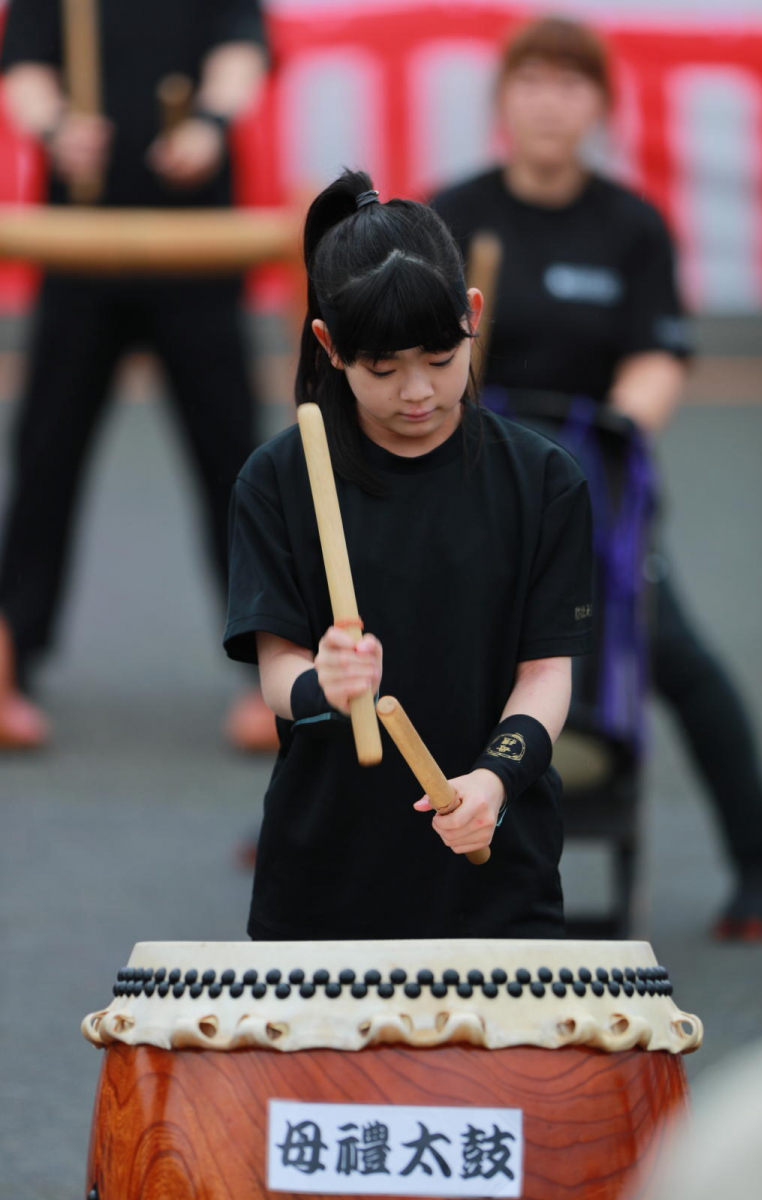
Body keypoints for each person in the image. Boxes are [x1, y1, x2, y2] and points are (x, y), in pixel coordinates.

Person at [431, 15, 762, 939]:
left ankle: (758, 863)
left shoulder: (630, 225)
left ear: (599, 104)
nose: (549, 103)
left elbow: (659, 356)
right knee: (402, 646)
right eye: (531, 82)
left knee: (675, 653)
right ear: (502, 100)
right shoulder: (451, 215)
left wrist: (615, 430)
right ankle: (316, 829)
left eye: (570, 83)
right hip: (466, 469)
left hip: (587, 477)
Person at [223, 169, 594, 941]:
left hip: (497, 864)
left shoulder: (544, 480)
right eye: (384, 369)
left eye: (440, 356)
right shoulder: (279, 479)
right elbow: (278, 674)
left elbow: (545, 673)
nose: (418, 391)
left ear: (473, 315)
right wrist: (324, 683)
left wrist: (495, 778)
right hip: (325, 872)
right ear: (330, 347)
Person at [0, 0, 278, 751]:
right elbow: (23, 68)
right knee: (45, 455)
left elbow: (242, 51)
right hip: (80, 246)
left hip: (196, 246)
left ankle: (273, 667)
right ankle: (11, 656)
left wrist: (208, 125)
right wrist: (57, 129)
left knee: (234, 464)